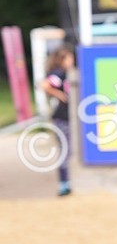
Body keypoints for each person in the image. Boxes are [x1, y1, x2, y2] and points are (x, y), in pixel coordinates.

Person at [41, 44, 75, 197]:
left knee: (66, 151)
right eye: (69, 58)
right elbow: (44, 85)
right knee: (64, 151)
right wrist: (58, 94)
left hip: (64, 118)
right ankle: (63, 184)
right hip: (61, 117)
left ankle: (65, 183)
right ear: (62, 59)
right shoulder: (59, 73)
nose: (72, 61)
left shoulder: (64, 73)